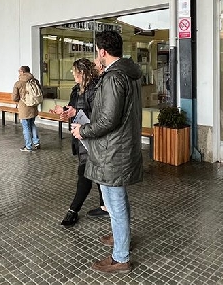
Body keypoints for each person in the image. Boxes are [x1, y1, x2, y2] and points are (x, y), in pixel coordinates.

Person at [71, 30, 143, 274]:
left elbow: (108, 120)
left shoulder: (114, 77)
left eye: (96, 52)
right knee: (116, 199)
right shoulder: (127, 74)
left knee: (116, 201)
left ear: (102, 51)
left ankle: (120, 257)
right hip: (119, 146)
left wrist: (84, 130)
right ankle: (120, 237)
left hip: (114, 149)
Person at [51, 58, 107, 227]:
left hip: (94, 138)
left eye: (75, 71)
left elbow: (101, 116)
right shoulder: (76, 90)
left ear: (82, 73)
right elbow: (72, 108)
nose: (73, 74)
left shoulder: (96, 89)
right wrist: (65, 113)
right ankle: (105, 206)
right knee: (96, 173)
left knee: (84, 173)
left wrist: (77, 111)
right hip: (81, 137)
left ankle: (73, 210)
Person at [12, 66, 41, 152]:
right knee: (32, 124)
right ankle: (36, 142)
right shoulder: (35, 81)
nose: (18, 72)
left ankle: (28, 146)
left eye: (19, 71)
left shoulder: (18, 83)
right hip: (34, 107)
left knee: (26, 126)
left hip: (24, 108)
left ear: (23, 72)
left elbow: (14, 97)